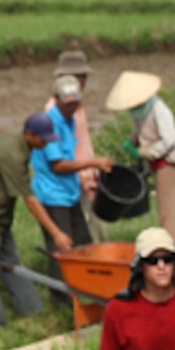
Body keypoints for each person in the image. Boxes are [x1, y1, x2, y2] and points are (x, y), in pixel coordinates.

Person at [0, 113, 69, 327]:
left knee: (13, 265)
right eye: (43, 138)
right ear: (30, 135)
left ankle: (33, 312)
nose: (46, 143)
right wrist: (56, 233)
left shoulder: (19, 140)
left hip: (2, 214)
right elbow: (30, 201)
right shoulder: (11, 155)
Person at [105, 71, 175, 246]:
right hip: (157, 164)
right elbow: (141, 130)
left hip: (168, 163)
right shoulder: (141, 112)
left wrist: (143, 152)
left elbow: (168, 140)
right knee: (172, 210)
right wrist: (132, 140)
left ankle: (171, 252)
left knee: (167, 213)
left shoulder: (160, 110)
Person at [33, 78, 115, 258]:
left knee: (83, 243)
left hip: (69, 193)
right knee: (63, 249)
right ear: (56, 99)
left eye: (75, 103)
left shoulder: (69, 120)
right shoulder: (51, 124)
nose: (72, 107)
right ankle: (59, 286)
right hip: (53, 195)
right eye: (68, 104)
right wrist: (93, 163)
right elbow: (58, 165)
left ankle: (81, 285)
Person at [51, 50, 105, 242]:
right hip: (73, 181)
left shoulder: (77, 106)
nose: (82, 81)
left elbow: (82, 143)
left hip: (86, 177)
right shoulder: (56, 111)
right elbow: (61, 154)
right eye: (77, 76)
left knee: (96, 233)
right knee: (87, 236)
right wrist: (82, 177)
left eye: (83, 76)